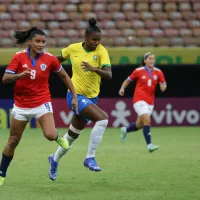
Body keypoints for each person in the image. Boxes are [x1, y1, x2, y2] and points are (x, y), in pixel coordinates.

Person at [0, 27, 78, 185]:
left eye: (43, 41)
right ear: (30, 42)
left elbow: (64, 76)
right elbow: (5, 78)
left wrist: (75, 96)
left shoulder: (50, 59)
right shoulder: (19, 57)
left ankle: (57, 137)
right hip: (21, 105)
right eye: (37, 41)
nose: (41, 44)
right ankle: (2, 172)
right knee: (13, 141)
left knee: (49, 134)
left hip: (42, 103)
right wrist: (19, 75)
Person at [48, 18, 112, 180]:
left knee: (72, 135)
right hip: (75, 95)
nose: (96, 42)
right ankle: (90, 157)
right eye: (94, 39)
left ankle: (54, 160)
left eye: (99, 40)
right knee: (103, 119)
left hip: (92, 98)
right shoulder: (73, 49)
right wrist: (41, 67)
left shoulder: (101, 51)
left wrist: (94, 69)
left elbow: (109, 75)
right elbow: (56, 61)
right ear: (85, 37)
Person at [119, 52, 167, 152]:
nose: (152, 60)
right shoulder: (138, 71)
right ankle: (149, 145)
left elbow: (163, 83)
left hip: (150, 102)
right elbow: (128, 80)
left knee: (139, 125)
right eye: (150, 58)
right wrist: (122, 88)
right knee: (147, 120)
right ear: (145, 60)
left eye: (153, 59)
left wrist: (163, 87)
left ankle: (125, 130)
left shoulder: (158, 72)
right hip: (139, 99)